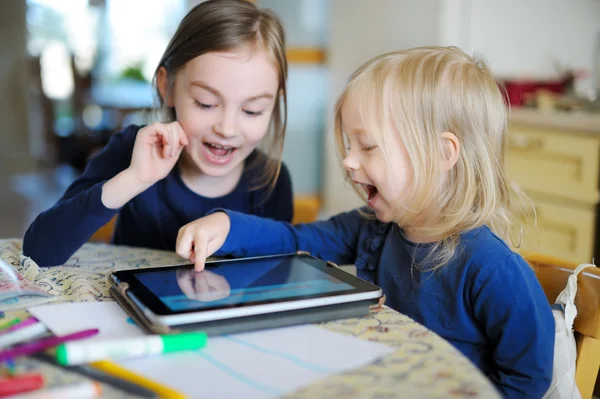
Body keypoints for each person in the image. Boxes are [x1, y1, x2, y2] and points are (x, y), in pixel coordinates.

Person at [175, 47, 555, 398]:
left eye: (367, 146)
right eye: (350, 145)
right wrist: (227, 225)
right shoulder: (370, 226)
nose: (349, 161)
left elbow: (527, 378)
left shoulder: (493, 269)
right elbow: (295, 240)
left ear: (442, 153)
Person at [23, 0, 293, 267]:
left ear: (273, 105)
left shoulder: (272, 182)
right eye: (206, 103)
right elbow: (38, 252)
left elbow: (273, 279)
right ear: (167, 86)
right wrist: (134, 179)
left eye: (253, 110)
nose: (227, 128)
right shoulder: (133, 150)